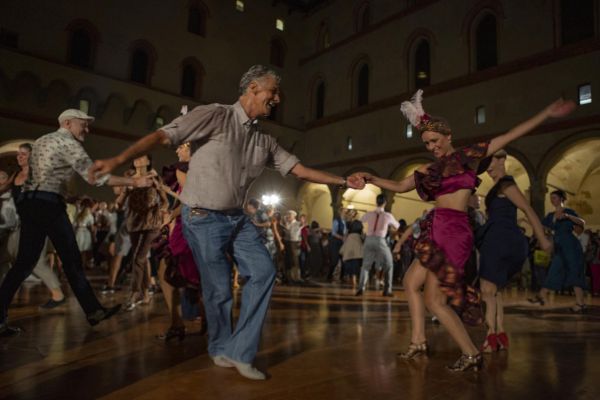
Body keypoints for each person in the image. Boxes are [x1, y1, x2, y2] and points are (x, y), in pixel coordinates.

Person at [88, 65, 365, 380]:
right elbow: (163, 135)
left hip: (237, 218)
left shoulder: (265, 141)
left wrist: (344, 181)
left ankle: (239, 350)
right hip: (202, 217)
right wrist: (117, 160)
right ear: (252, 88)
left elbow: (300, 171)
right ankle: (220, 347)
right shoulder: (216, 115)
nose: (277, 98)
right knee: (218, 288)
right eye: (273, 91)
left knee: (264, 272)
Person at [352, 90, 575, 371]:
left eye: (435, 140)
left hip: (454, 232)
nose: (432, 147)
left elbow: (509, 135)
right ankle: (418, 340)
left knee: (434, 300)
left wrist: (547, 114)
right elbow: (399, 186)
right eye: (427, 143)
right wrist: (370, 178)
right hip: (436, 228)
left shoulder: (469, 157)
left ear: (448, 136)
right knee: (410, 282)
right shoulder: (430, 169)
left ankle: (471, 353)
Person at [0, 109, 152, 337]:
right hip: (49, 205)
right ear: (68, 123)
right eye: (84, 124)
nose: (87, 129)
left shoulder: (41, 141)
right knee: (71, 260)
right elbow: (95, 177)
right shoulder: (68, 142)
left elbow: (39, 177)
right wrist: (135, 182)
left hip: (30, 203)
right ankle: (94, 311)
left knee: (23, 264)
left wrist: (63, 197)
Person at [478, 150, 552, 352]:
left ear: (502, 160)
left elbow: (528, 209)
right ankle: (500, 334)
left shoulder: (505, 184)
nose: (487, 167)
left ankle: (490, 337)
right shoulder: (499, 186)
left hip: (500, 239)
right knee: (495, 290)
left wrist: (542, 238)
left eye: (490, 161)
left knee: (487, 290)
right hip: (503, 238)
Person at [528, 189, 587, 312]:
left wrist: (568, 216)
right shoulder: (550, 216)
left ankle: (580, 303)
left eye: (554, 197)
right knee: (554, 270)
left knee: (574, 272)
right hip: (559, 247)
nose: (552, 200)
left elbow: (582, 222)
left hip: (570, 246)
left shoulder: (568, 211)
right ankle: (541, 296)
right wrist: (528, 220)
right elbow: (541, 225)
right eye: (551, 198)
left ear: (561, 199)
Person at [356, 194, 399, 296]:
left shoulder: (369, 214)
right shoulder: (388, 215)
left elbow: (360, 221)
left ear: (376, 202)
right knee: (389, 264)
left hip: (368, 239)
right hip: (380, 240)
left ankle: (361, 288)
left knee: (365, 265)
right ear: (385, 203)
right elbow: (397, 226)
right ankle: (387, 290)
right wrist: (389, 228)